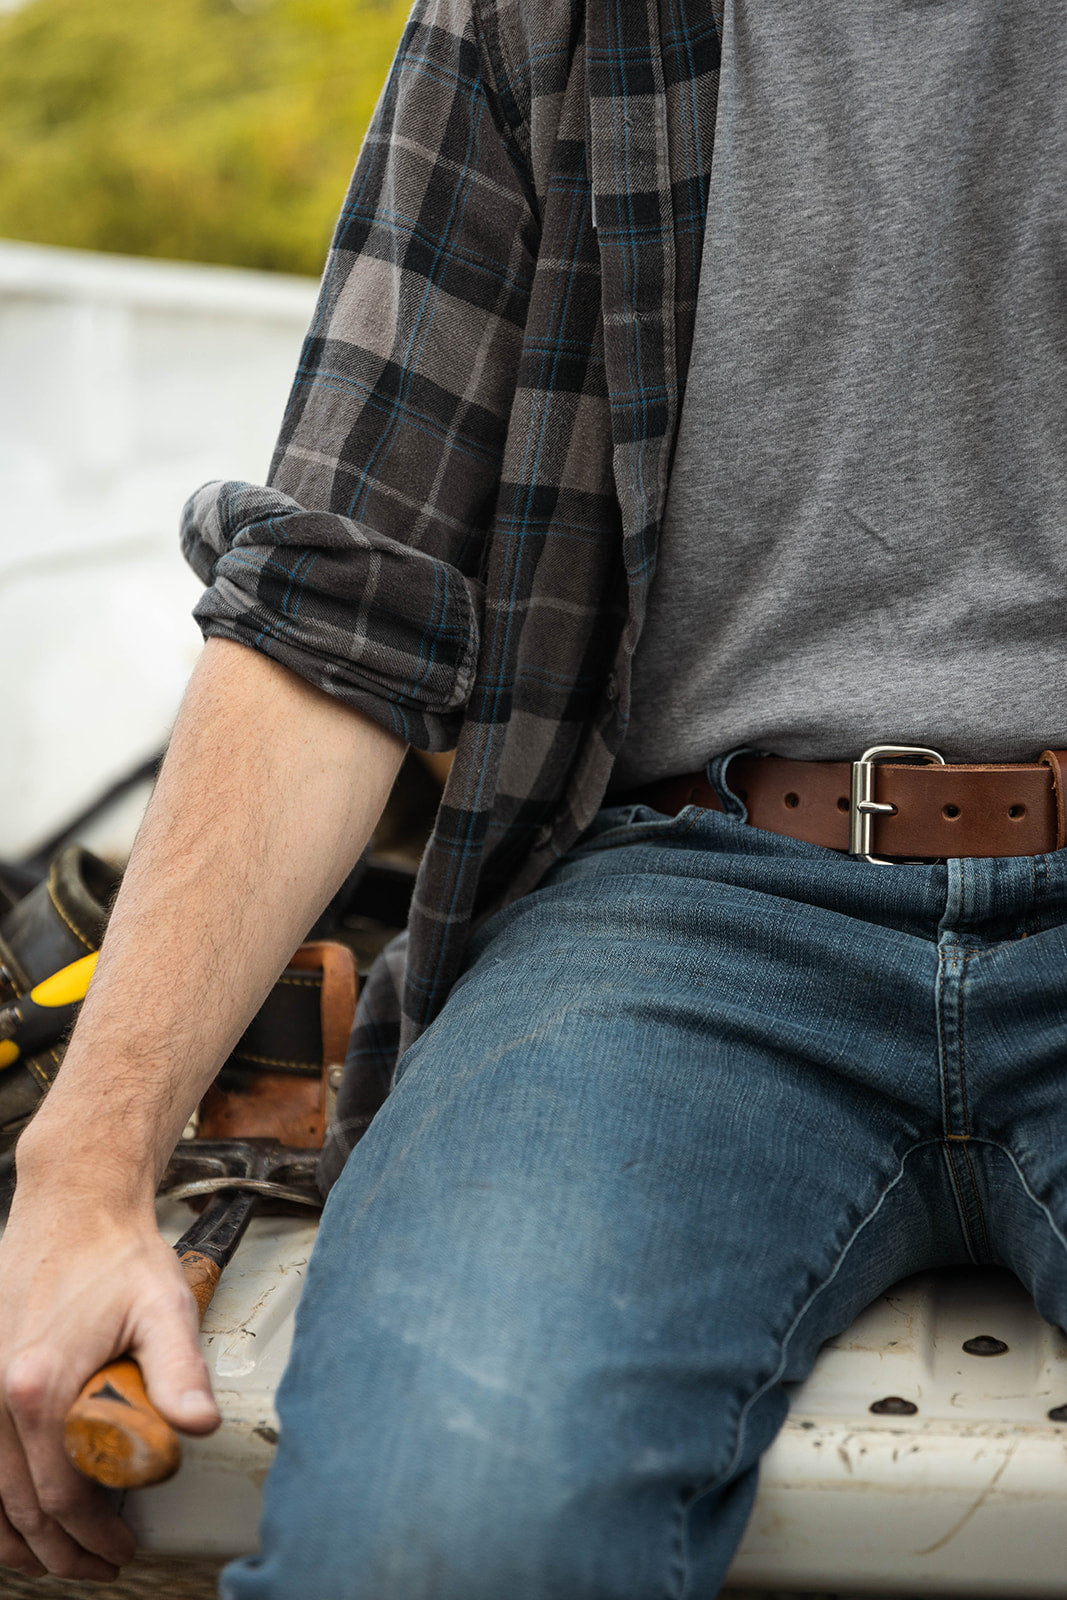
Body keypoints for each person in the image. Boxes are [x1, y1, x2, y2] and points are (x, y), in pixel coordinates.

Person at [0, 0, 1064, 1591]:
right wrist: (83, 1175)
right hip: (692, 911)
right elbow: (334, 607)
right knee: (440, 1534)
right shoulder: (545, 18)